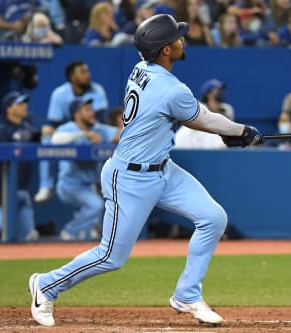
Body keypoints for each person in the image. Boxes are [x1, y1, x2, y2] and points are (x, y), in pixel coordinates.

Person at [28, 13, 263, 328]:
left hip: (163, 170)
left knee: (213, 218)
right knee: (111, 256)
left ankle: (187, 294)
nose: (182, 40)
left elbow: (195, 117)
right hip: (130, 177)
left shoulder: (142, 68)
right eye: (176, 37)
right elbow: (203, 119)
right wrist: (241, 131)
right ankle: (45, 285)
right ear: (165, 49)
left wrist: (231, 133)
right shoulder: (170, 88)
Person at [34, 60, 109, 203]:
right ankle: (46, 185)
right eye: (83, 72)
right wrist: (71, 133)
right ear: (72, 77)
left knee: (104, 138)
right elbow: (54, 124)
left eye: (87, 71)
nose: (88, 75)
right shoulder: (60, 93)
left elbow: (100, 120)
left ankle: (100, 182)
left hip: (92, 131)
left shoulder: (97, 90)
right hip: (70, 133)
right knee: (47, 138)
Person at [51, 97, 119, 241]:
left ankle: (75, 239)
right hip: (69, 184)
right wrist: (84, 134)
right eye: (87, 110)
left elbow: (119, 132)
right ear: (77, 114)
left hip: (90, 186)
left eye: (91, 109)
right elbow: (55, 139)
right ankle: (69, 232)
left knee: (91, 231)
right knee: (96, 205)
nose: (91, 112)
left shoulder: (97, 128)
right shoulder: (68, 128)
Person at [0, 91, 47, 241]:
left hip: (23, 189)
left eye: (24, 103)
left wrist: (42, 133)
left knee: (28, 236)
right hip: (5, 190)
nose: (24, 106)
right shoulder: (1, 130)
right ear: (9, 108)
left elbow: (34, 138)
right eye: (19, 104)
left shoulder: (27, 127)